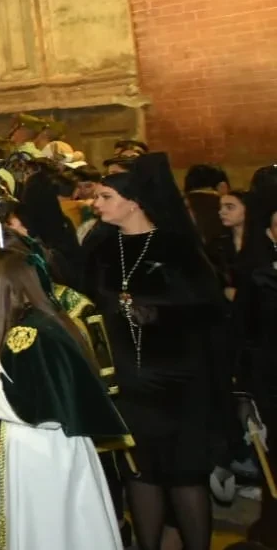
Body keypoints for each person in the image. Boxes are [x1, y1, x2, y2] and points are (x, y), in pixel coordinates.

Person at [84, 152, 229, 550]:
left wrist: (159, 314)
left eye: (106, 196)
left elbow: (211, 311)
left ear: (134, 202)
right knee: (140, 474)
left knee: (185, 476)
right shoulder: (102, 248)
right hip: (129, 382)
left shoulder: (176, 247)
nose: (96, 204)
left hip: (179, 382)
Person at [0, 250, 130, 549]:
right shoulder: (48, 322)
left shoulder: (26, 334)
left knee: (49, 527)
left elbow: (40, 407)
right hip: (60, 448)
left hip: (41, 450)